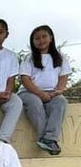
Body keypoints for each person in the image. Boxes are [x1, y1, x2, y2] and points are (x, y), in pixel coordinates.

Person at [19, 25, 71, 155]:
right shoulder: (29, 58)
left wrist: (57, 91)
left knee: (61, 102)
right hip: (29, 92)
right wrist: (40, 93)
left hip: (51, 93)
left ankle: (50, 138)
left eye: (44, 37)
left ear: (51, 38)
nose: (41, 40)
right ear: (33, 42)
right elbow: (25, 79)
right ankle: (45, 139)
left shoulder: (61, 57)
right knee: (35, 103)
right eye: (37, 38)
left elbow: (63, 78)